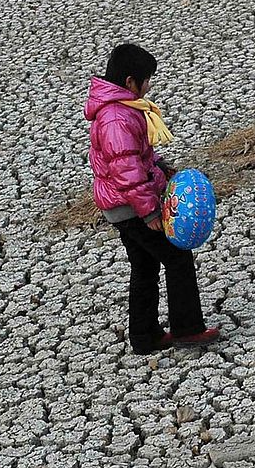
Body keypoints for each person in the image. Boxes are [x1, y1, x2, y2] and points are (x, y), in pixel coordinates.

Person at [85, 43, 219, 354]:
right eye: (146, 80)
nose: (149, 86)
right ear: (130, 82)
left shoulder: (120, 110)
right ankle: (188, 330)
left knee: (144, 267)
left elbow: (138, 157)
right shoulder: (117, 117)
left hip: (121, 206)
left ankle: (145, 337)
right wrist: (149, 213)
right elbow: (126, 170)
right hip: (130, 208)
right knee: (177, 258)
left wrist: (160, 167)